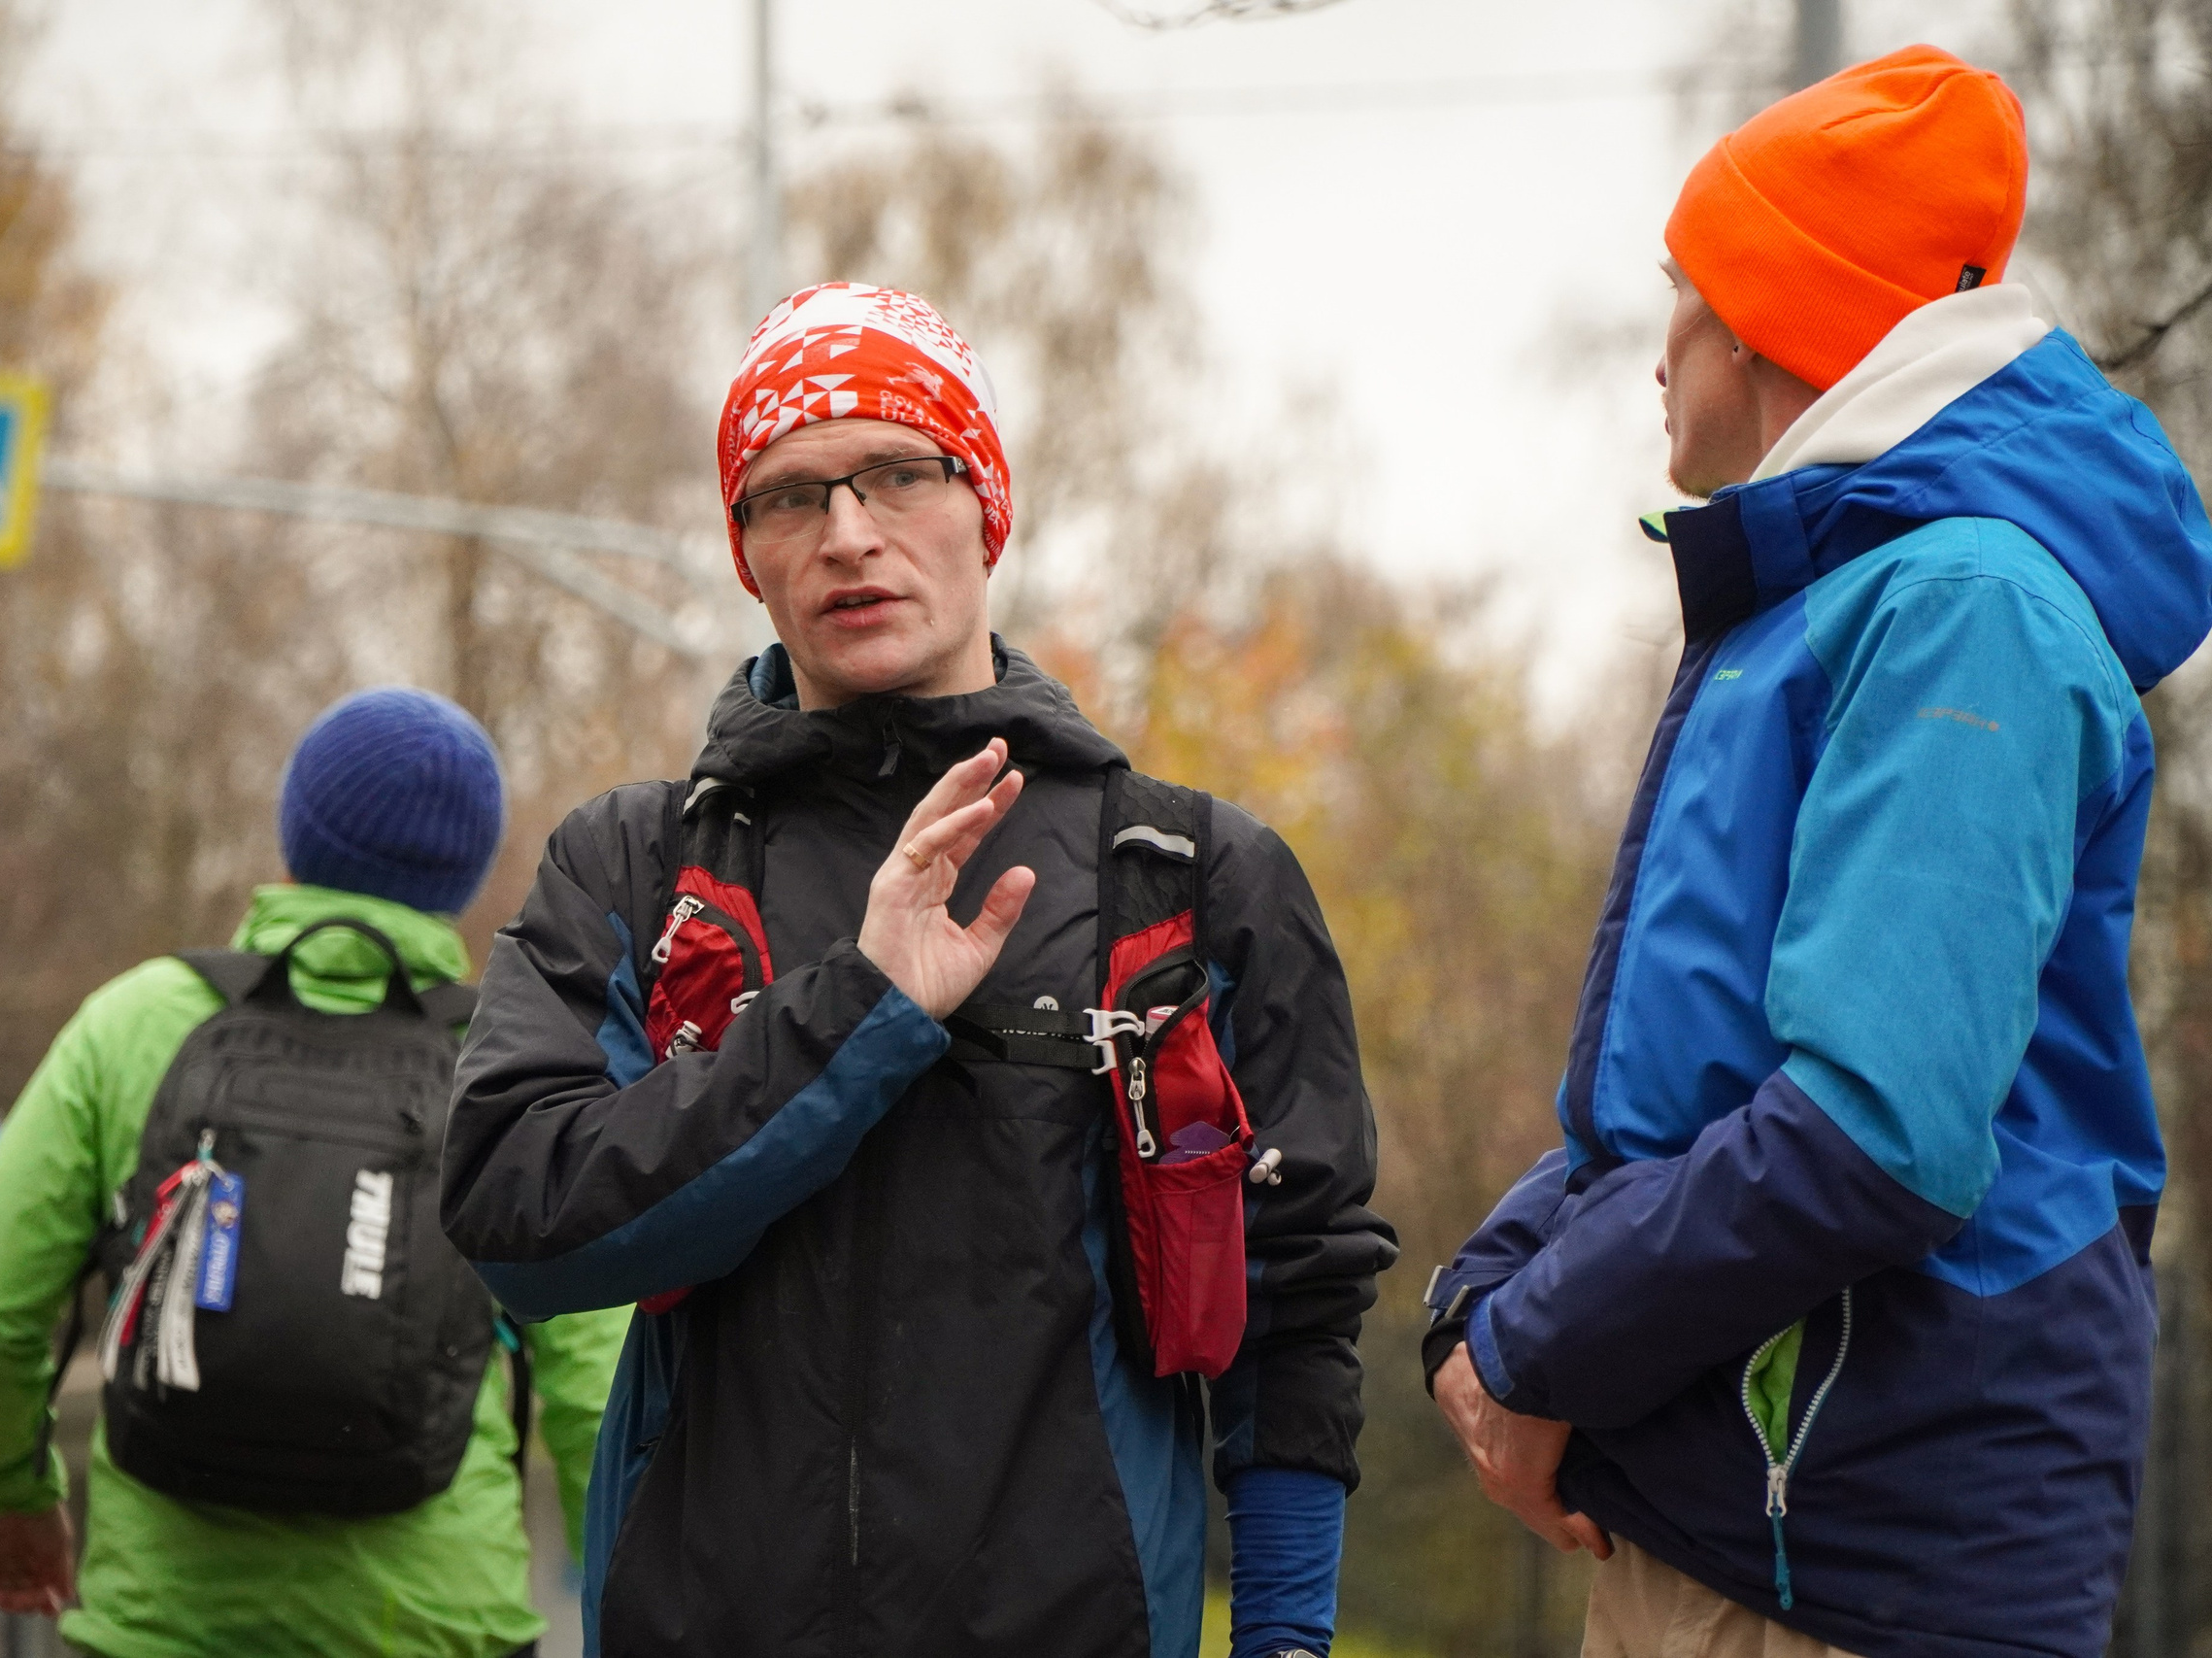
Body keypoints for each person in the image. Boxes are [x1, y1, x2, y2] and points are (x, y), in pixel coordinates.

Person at [438, 282, 1396, 1658]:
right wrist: (860, 1007)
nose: (847, 534)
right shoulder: (637, 863)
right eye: (788, 495)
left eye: (898, 471)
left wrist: (1290, 1632)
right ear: (746, 552)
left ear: (985, 500)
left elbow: (1297, 1293)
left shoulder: (1191, 873)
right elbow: (515, 1219)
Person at [1423, 45, 2212, 1658]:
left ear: (1774, 314)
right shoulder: (1836, 606)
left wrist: (1533, 1346)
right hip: (1750, 1529)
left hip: (1847, 1559)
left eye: (1687, 292)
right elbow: (1688, 1089)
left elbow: (1870, 1134)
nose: (1659, 351)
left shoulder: (1960, 610)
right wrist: (1485, 1293)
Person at [0, 687, 631, 1658]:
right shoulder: (511, 1060)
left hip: (161, 1629)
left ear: (295, 831)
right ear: (464, 873)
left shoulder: (137, 1022)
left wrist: (11, 1498)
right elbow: (601, 1389)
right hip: (434, 1624)